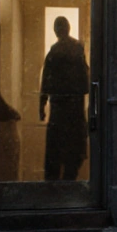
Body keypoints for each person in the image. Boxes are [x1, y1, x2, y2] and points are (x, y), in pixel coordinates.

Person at [39, 16, 89, 181]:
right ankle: (68, 185)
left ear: (56, 31)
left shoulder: (54, 51)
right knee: (72, 154)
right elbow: (85, 80)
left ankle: (54, 189)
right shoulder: (77, 49)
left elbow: (46, 81)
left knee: (56, 151)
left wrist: (42, 105)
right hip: (74, 108)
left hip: (60, 109)